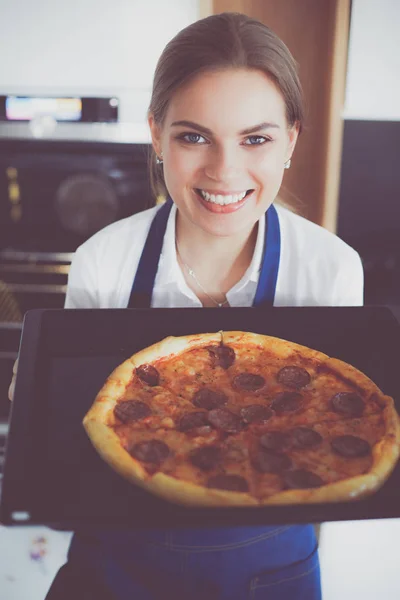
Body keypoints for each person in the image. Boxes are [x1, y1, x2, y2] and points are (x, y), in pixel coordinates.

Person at [10, 12, 363, 600]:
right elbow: (71, 463)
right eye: (194, 136)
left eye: (256, 138)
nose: (224, 171)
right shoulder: (104, 261)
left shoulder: (330, 269)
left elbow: (338, 452)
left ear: (292, 140)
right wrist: (40, 414)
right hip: (115, 569)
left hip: (270, 573)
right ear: (156, 134)